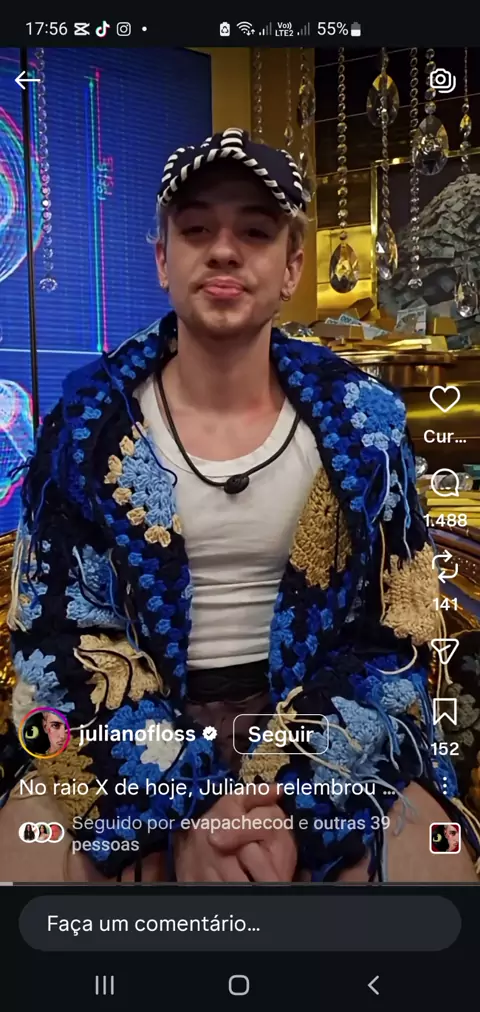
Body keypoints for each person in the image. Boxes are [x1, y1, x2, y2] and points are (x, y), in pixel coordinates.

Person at [4, 127, 480, 884]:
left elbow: (398, 634)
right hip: (129, 730)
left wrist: (291, 803)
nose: (223, 250)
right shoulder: (86, 428)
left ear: (292, 266)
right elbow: (53, 644)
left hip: (321, 725)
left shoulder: (365, 427)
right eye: (197, 230)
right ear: (163, 259)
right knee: (25, 868)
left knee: (434, 872)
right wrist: (186, 807)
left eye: (254, 232)